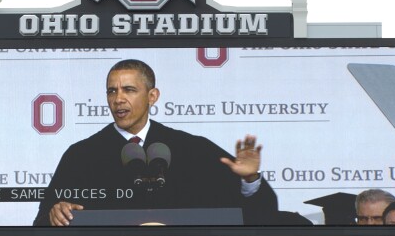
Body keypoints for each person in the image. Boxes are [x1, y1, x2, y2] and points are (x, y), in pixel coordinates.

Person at [34, 59, 280, 226]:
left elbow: (256, 214)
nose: (118, 99)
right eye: (111, 91)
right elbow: (43, 220)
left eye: (129, 90)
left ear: (152, 96)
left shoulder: (193, 149)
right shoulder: (81, 156)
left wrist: (249, 180)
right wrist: (54, 213)